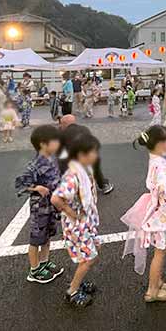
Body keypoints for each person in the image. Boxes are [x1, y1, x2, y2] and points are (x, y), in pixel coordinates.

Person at [121, 125, 166, 303]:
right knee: (160, 252)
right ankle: (152, 291)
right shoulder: (161, 165)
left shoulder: (155, 159)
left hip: (156, 211)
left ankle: (158, 282)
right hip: (162, 216)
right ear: (160, 144)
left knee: (159, 251)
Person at [51, 132, 102, 308]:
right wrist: (71, 213)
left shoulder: (84, 170)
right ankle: (72, 291)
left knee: (93, 253)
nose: (96, 155)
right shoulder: (73, 176)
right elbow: (56, 199)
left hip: (86, 221)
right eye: (93, 152)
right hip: (77, 225)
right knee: (88, 258)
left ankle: (78, 283)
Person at [14, 125, 65, 284]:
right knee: (37, 238)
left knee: (48, 235)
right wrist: (36, 187)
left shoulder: (53, 158)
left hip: (51, 205)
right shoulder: (35, 164)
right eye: (55, 141)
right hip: (40, 208)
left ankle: (44, 262)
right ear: (43, 144)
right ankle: (34, 270)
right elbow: (20, 183)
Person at [58, 115, 114, 194]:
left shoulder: (62, 133)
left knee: (62, 162)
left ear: (64, 124)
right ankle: (103, 185)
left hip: (74, 157)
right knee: (95, 167)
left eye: (61, 124)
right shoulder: (84, 128)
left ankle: (67, 187)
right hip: (90, 154)